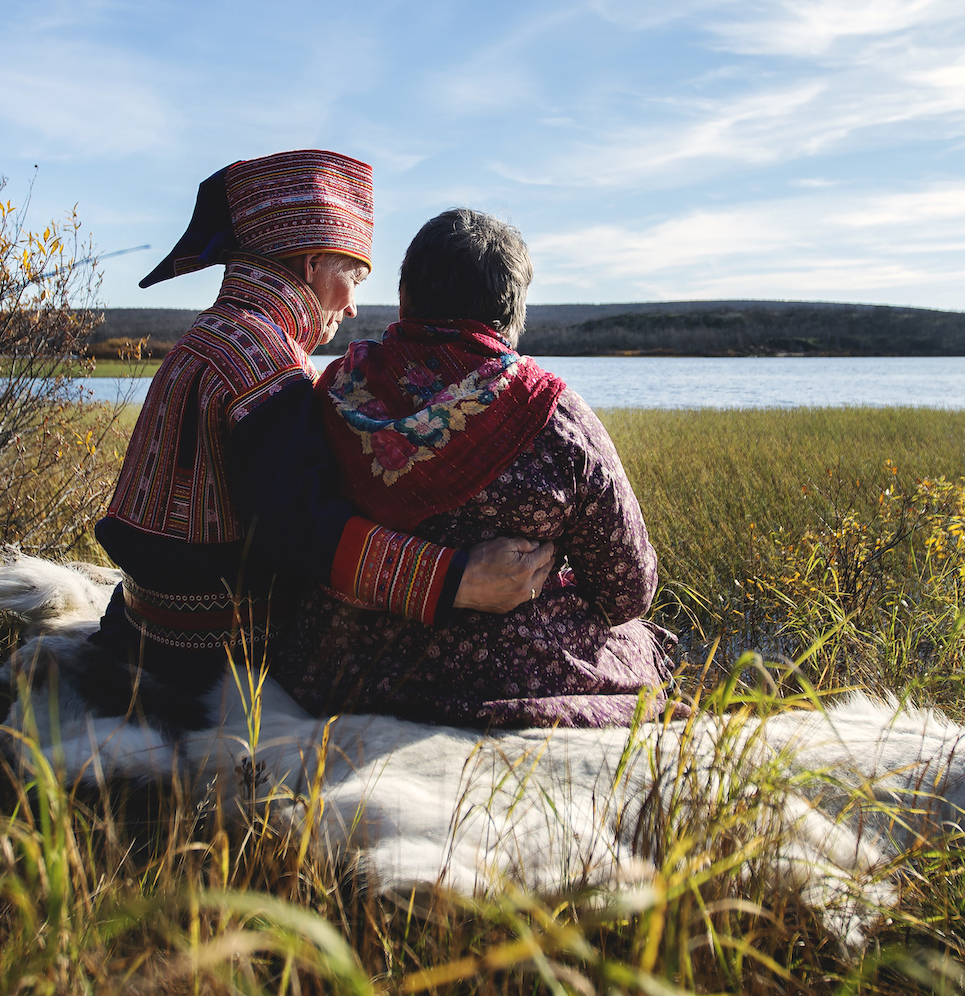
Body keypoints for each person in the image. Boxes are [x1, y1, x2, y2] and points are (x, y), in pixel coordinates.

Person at [88, 153, 556, 732]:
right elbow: (300, 529)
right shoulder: (268, 368)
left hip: (140, 631)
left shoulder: (208, 339)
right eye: (353, 277)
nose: (355, 305)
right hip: (213, 667)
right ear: (311, 266)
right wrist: (458, 580)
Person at [270, 208, 674, 728]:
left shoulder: (335, 387)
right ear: (512, 313)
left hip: (342, 674)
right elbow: (629, 589)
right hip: (520, 682)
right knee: (642, 642)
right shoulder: (552, 414)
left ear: (405, 297)